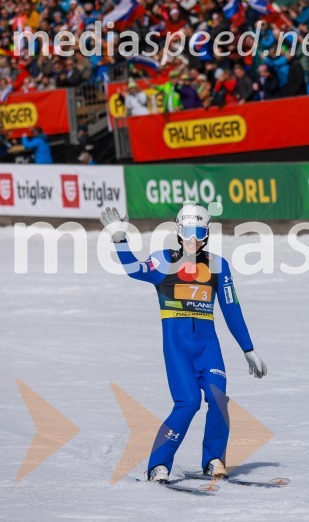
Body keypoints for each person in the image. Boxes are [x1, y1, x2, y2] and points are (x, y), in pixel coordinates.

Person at [98, 204, 268, 483]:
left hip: (208, 346)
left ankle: (214, 459)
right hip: (178, 348)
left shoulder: (217, 265)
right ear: (178, 232)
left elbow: (231, 308)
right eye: (188, 231)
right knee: (188, 402)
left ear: (207, 234)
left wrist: (248, 348)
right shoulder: (163, 260)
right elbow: (134, 269)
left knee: (218, 399)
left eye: (199, 232)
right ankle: (158, 465)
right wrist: (119, 239)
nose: (193, 239)